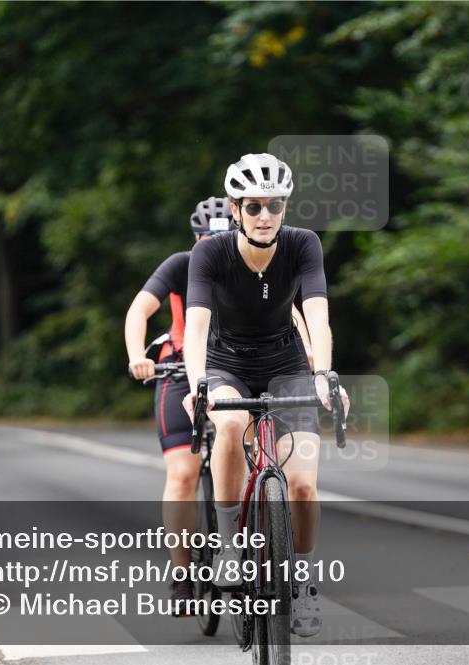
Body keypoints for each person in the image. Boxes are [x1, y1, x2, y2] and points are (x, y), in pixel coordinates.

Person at [183, 153, 348, 638]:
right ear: (235, 210)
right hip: (226, 361)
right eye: (253, 206)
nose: (264, 216)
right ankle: (233, 545)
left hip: (286, 362)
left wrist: (324, 375)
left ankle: (299, 583)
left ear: (285, 207)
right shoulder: (210, 254)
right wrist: (198, 385)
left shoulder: (303, 245)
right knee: (231, 426)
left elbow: (316, 314)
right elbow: (195, 327)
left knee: (302, 486)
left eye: (274, 205)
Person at [124, 196, 314, 614]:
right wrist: (139, 354)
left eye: (222, 235)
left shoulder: (252, 259)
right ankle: (182, 573)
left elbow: (291, 312)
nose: (216, 242)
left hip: (243, 362)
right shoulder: (184, 264)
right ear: (197, 239)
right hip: (183, 367)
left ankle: (270, 531)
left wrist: (311, 353)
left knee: (271, 449)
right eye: (207, 238)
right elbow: (141, 308)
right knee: (182, 472)